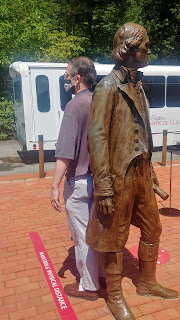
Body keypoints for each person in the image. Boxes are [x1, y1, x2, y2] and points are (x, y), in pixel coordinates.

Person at [86, 23, 179, 319]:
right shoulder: (107, 86)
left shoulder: (137, 83)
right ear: (130, 50)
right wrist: (103, 187)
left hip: (140, 171)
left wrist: (150, 174)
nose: (149, 51)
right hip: (118, 176)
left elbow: (143, 133)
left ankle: (148, 283)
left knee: (153, 227)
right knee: (115, 236)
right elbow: (97, 137)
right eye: (145, 46)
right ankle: (114, 296)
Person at [51, 56, 103, 301]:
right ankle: (100, 274)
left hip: (79, 182)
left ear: (77, 78)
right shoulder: (100, 101)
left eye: (67, 74)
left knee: (82, 237)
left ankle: (88, 287)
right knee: (96, 232)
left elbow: (65, 153)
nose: (65, 78)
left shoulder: (74, 106)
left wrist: (54, 185)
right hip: (100, 182)